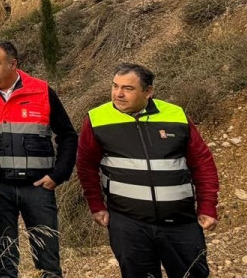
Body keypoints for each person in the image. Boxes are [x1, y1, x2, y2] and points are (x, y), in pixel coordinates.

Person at [76, 63, 219, 278]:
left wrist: (207, 205)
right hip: (128, 224)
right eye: (115, 86)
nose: (118, 94)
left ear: (148, 91)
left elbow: (202, 162)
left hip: (180, 221)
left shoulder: (175, 115)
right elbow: (86, 166)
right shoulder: (97, 119)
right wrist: (96, 205)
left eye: (128, 88)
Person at [0, 40, 77, 277]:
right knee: (4, 260)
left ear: (13, 64)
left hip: (38, 188)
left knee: (49, 260)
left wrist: (58, 175)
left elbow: (68, 135)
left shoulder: (41, 90)